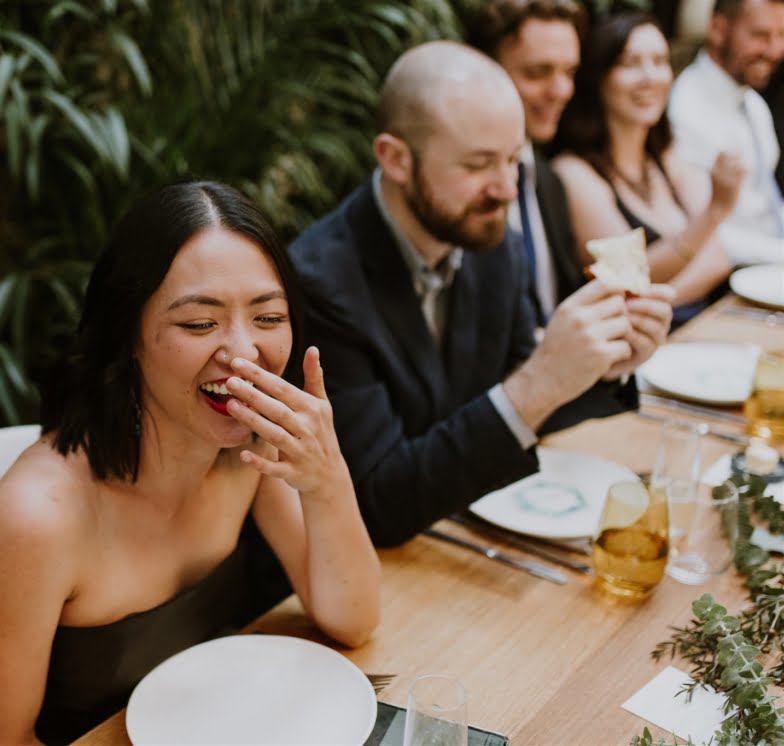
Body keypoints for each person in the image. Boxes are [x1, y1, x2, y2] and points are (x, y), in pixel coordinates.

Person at [0, 181, 380, 745]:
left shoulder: (249, 450)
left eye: (268, 317)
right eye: (199, 324)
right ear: (128, 334)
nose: (243, 354)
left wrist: (327, 480)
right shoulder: (36, 519)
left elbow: (352, 620)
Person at [288, 41, 673, 548]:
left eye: (514, 159)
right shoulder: (318, 283)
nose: (507, 188)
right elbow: (377, 503)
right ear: (395, 159)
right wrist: (540, 381)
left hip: (470, 536)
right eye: (478, 165)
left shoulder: (494, 246)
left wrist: (602, 363)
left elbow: (514, 411)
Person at [550, 12, 746, 327]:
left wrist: (650, 302)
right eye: (630, 64)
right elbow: (627, 277)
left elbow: (719, 259)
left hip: (694, 328)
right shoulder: (573, 172)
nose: (650, 77)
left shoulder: (665, 157)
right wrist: (713, 213)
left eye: (659, 61)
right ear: (599, 76)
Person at [469, 0, 589, 323]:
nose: (561, 90)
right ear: (485, 70)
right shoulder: (458, 193)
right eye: (538, 73)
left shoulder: (548, 181)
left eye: (570, 72)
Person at [667, 0, 784, 265]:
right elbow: (707, 231)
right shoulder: (686, 108)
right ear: (718, 29)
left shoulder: (752, 103)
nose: (776, 50)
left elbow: (767, 206)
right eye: (760, 35)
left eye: (781, 35)